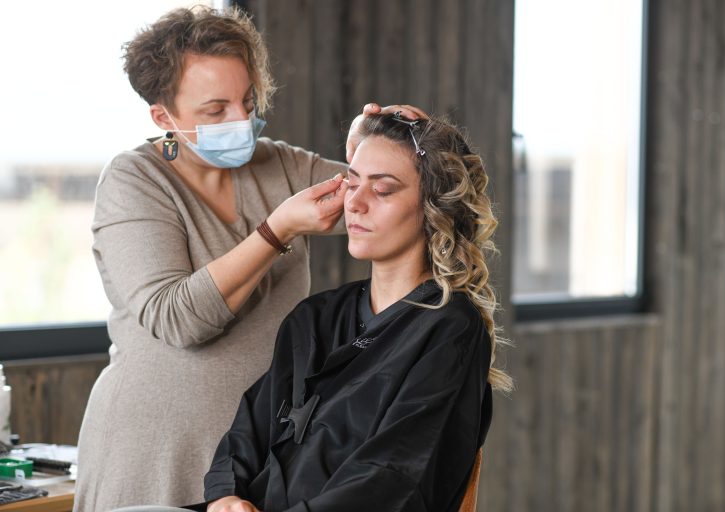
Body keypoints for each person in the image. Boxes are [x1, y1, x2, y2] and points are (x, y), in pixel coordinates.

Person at [75, 5, 425, 511]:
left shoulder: (280, 165)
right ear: (163, 117)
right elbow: (176, 319)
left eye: (246, 100)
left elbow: (392, 202)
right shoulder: (135, 181)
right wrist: (277, 228)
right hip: (155, 453)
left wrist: (374, 148)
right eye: (215, 111)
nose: (240, 121)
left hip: (259, 452)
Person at [201, 113, 513, 512]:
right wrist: (226, 496)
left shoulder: (449, 329)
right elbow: (249, 428)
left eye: (382, 189)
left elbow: (393, 477)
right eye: (352, 182)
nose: (356, 203)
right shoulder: (315, 318)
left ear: (434, 207)